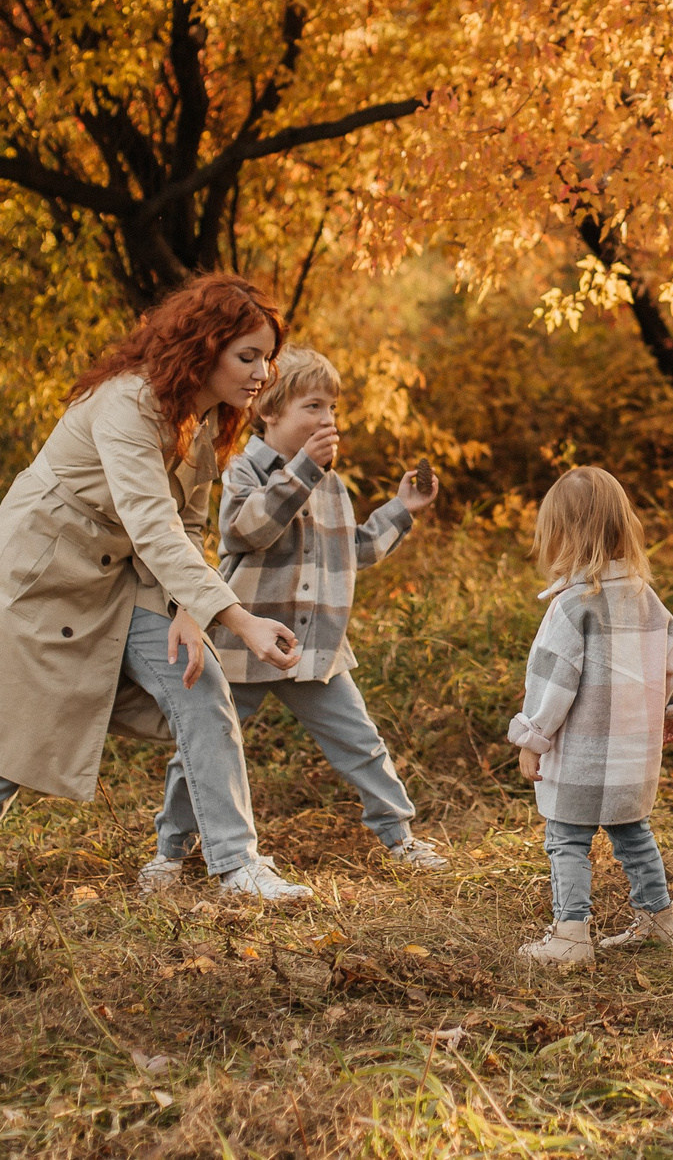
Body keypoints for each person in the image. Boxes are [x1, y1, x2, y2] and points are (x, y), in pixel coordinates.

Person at [0, 274, 315, 924]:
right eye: (248, 355)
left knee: (202, 690)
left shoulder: (203, 418)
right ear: (203, 346)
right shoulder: (127, 403)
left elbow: (188, 522)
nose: (263, 371)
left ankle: (236, 865)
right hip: (46, 579)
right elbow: (151, 521)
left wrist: (186, 609)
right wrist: (236, 618)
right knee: (8, 743)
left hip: (129, 582)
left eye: (267, 356)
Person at [140, 345, 447, 888]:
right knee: (207, 743)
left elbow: (356, 550)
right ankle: (171, 851)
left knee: (361, 743)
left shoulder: (331, 485)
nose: (326, 420)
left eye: (332, 409)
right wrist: (303, 470)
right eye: (312, 407)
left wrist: (402, 510)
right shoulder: (242, 471)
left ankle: (400, 838)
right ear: (270, 410)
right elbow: (247, 530)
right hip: (244, 647)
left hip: (316, 647)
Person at [507, 466, 673, 969]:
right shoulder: (646, 598)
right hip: (634, 751)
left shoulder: (571, 608)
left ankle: (570, 934)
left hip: (582, 755)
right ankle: (660, 922)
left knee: (566, 837)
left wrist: (532, 737)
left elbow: (553, 681)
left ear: (562, 537)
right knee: (633, 833)